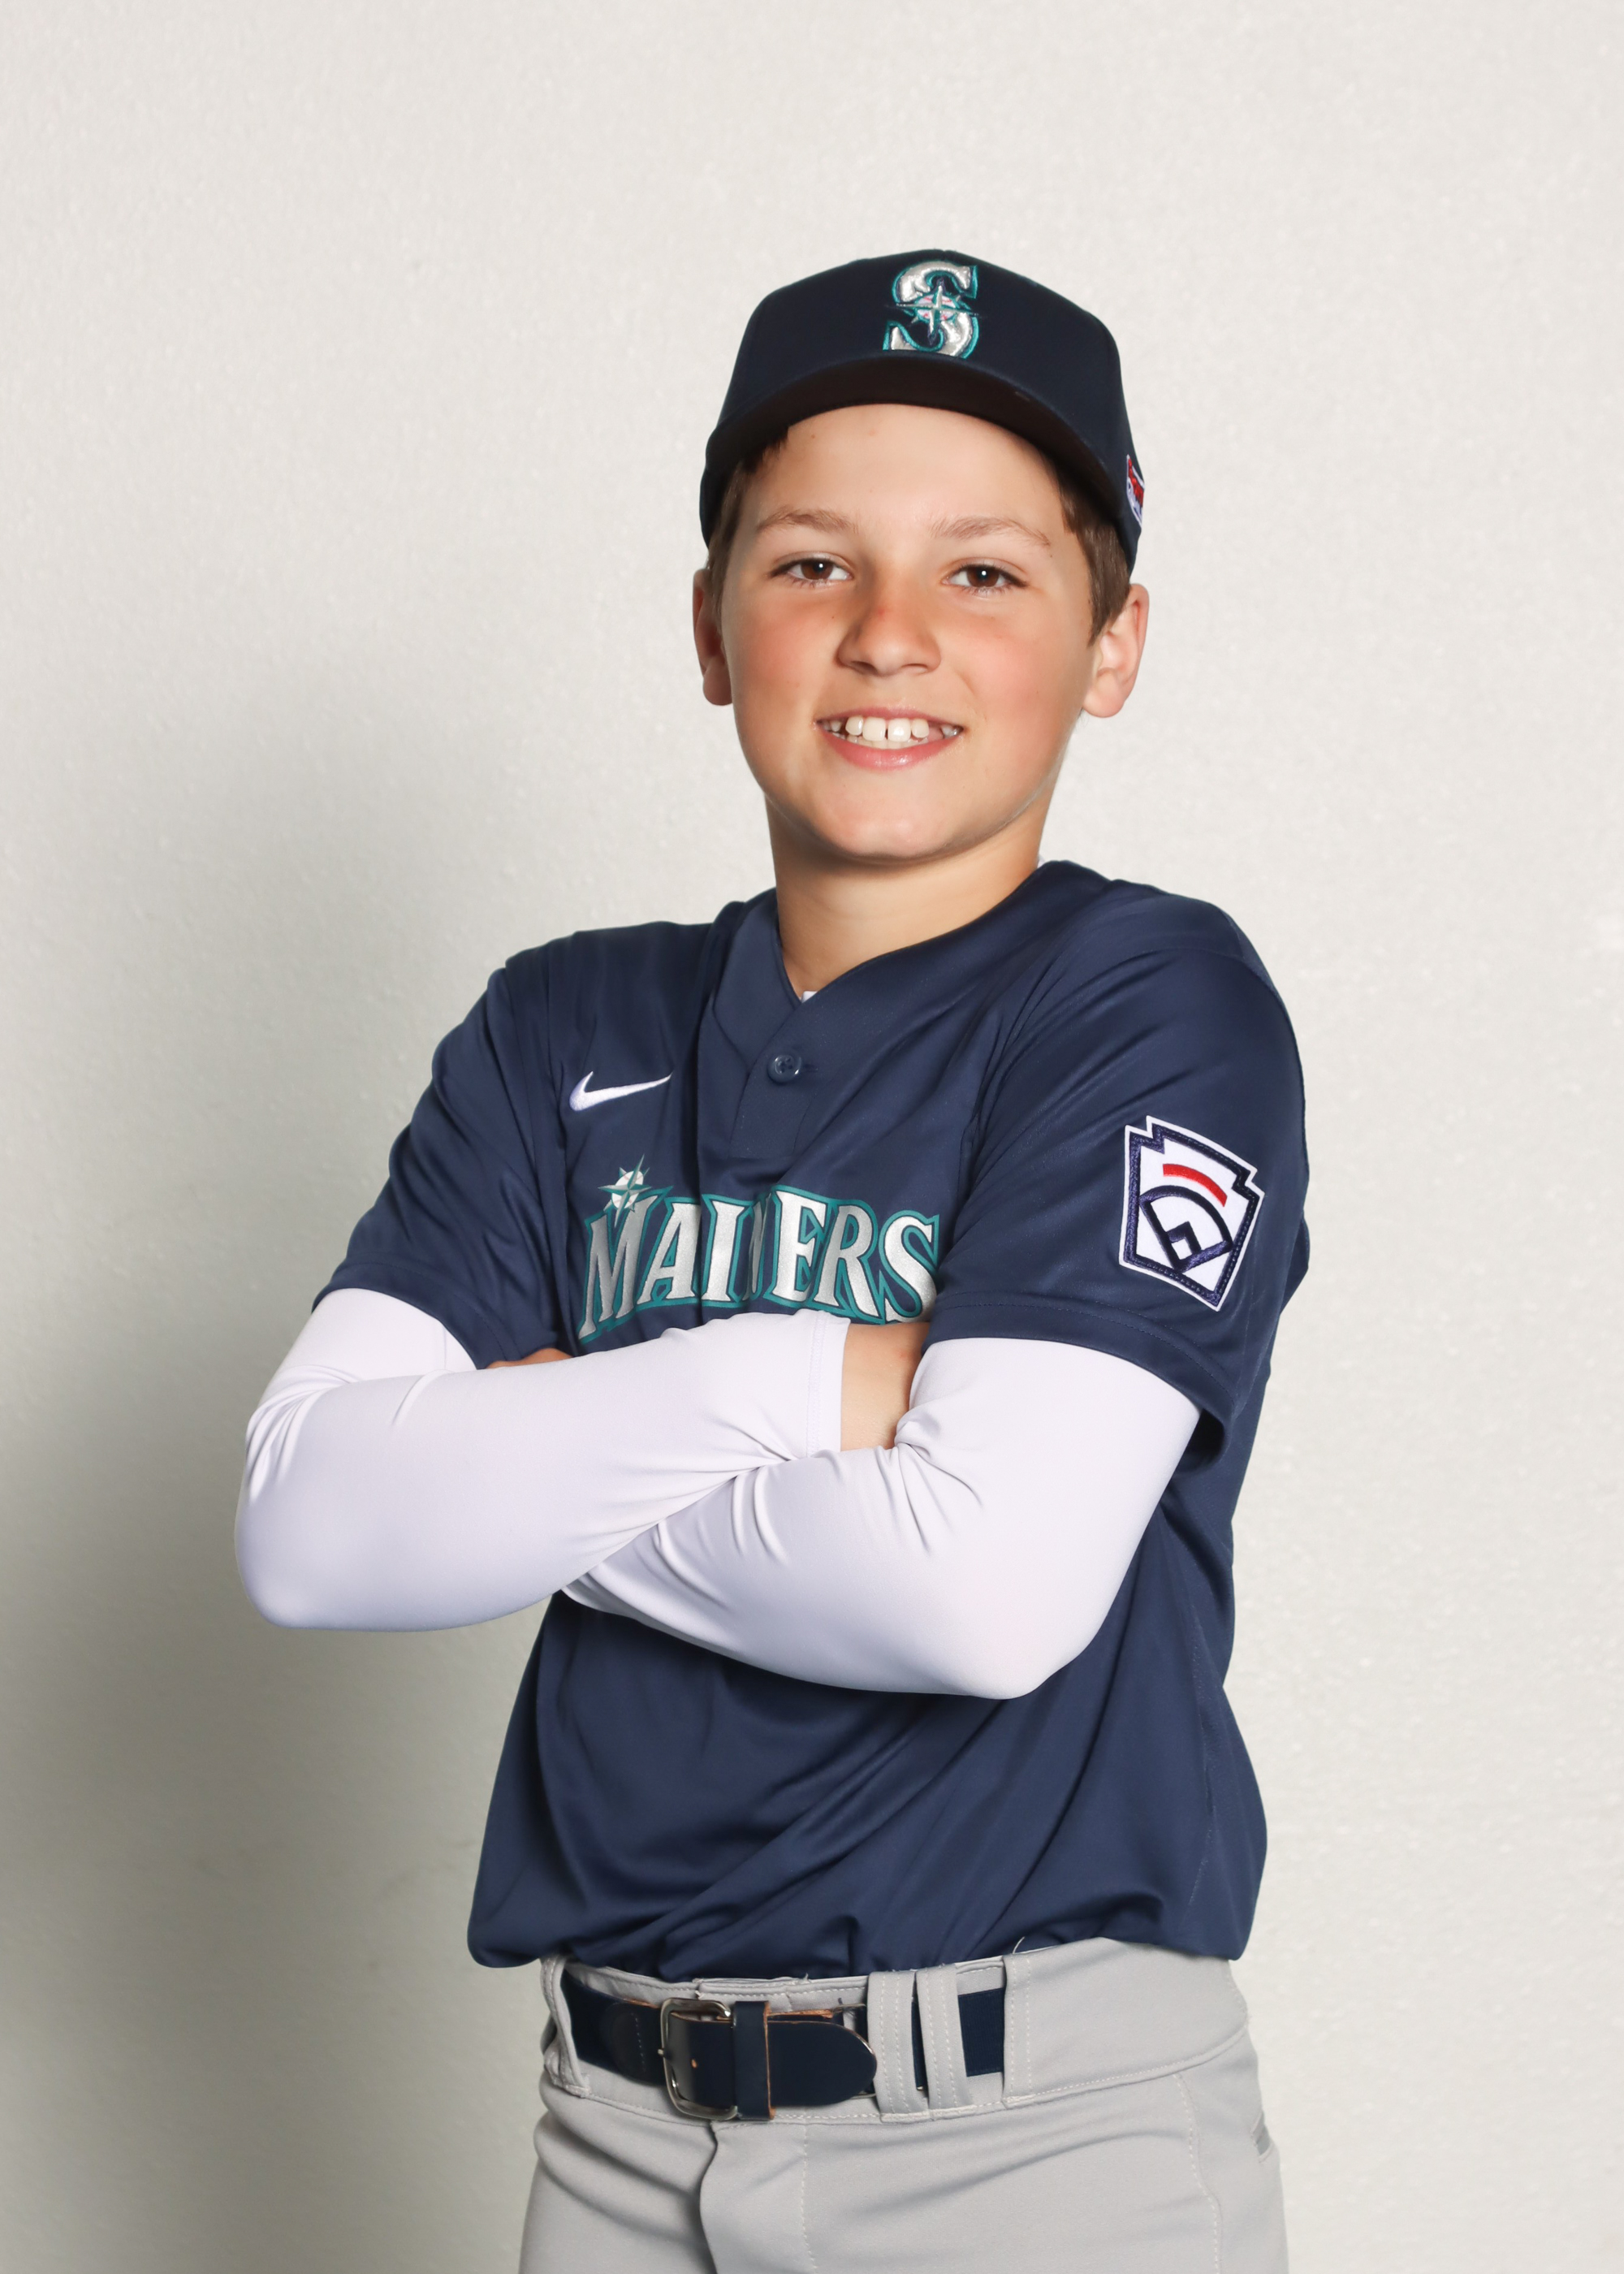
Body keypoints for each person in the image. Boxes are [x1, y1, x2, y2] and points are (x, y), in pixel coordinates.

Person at [237, 250, 1309, 2272]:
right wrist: (810, 1380)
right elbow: (308, 1528)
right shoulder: (562, 1029)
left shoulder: (1141, 1000)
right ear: (710, 626)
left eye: (984, 571)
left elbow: (982, 1583)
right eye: (812, 561)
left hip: (1029, 2135)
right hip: (612, 2130)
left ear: (1111, 641)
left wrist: (525, 1465)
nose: (890, 632)